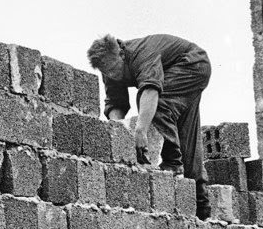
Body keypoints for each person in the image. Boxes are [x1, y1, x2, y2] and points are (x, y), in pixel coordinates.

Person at [87, 33, 212, 219]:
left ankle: (172, 163)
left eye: (114, 68)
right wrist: (117, 135)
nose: (113, 74)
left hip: (193, 63)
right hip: (184, 71)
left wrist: (141, 130)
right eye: (107, 72)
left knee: (157, 105)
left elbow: (151, 90)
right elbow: (116, 105)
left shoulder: (141, 54)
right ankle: (202, 209)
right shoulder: (109, 70)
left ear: (121, 54)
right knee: (187, 137)